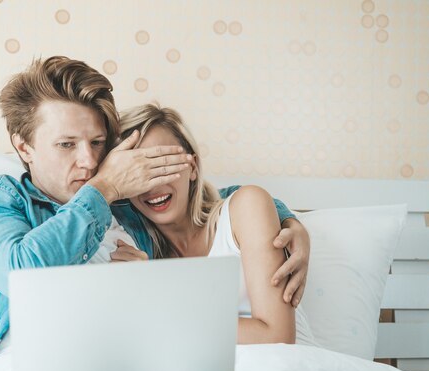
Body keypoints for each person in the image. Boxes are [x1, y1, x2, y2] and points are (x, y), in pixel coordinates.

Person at [0, 56, 310, 371]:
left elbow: (198, 199)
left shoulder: (127, 209)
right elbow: (24, 273)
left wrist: (287, 218)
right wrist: (104, 187)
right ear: (24, 147)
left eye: (97, 142)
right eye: (67, 144)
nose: (88, 161)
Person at [118, 103, 301, 344]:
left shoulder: (245, 207)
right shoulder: (131, 245)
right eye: (138, 173)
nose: (153, 186)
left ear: (192, 167)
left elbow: (278, 336)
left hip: (280, 370)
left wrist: (159, 304)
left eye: (164, 164)